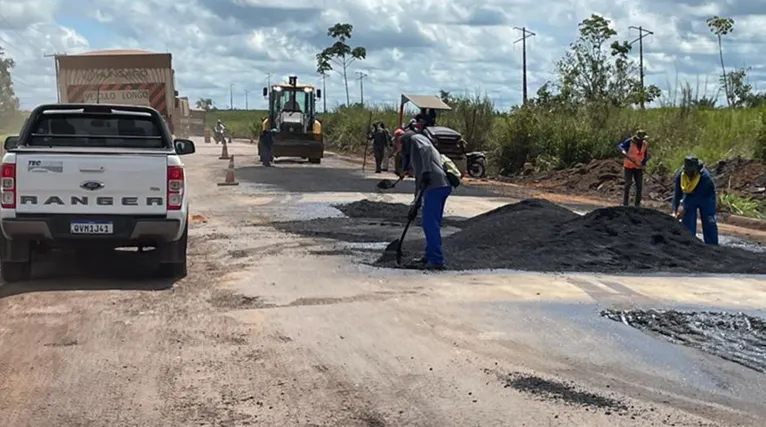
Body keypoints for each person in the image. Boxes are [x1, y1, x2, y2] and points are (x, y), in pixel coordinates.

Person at [399, 130, 452, 270]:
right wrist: (415, 204)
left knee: (430, 224)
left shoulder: (416, 138)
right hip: (439, 186)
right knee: (430, 223)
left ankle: (436, 260)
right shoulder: (417, 159)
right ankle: (429, 256)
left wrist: (427, 171)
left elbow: (426, 149)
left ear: (405, 141)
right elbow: (419, 182)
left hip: (435, 186)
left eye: (400, 144)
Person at [671, 155, 718, 245]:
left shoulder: (705, 177)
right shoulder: (680, 175)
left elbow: (699, 194)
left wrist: (683, 205)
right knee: (687, 221)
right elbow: (677, 193)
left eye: (691, 171)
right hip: (690, 196)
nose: (689, 173)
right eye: (687, 171)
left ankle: (712, 244)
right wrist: (675, 210)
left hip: (706, 197)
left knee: (709, 221)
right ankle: (689, 241)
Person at [617, 130, 649, 206]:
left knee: (639, 186)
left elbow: (644, 155)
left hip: (638, 167)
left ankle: (637, 204)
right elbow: (619, 146)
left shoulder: (644, 144)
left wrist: (643, 165)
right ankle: (625, 203)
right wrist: (623, 151)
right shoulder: (629, 141)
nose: (642, 140)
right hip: (629, 166)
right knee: (628, 183)